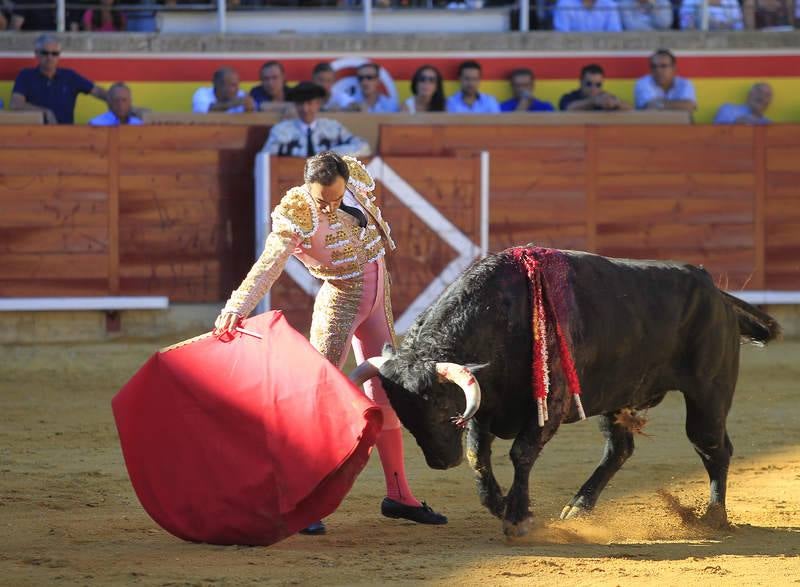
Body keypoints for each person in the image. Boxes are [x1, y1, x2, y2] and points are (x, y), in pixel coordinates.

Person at [214, 152, 448, 535]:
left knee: (386, 394)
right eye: (323, 199)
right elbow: (269, 264)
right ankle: (301, 498)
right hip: (340, 301)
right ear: (309, 187)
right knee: (316, 399)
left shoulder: (354, 178)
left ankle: (399, 495)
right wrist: (237, 306)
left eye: (337, 198)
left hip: (378, 297)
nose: (331, 205)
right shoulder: (297, 212)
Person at [10, 34, 109, 124]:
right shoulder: (26, 76)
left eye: (54, 53)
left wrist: (117, 101)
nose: (49, 57)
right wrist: (45, 112)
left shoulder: (70, 77)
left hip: (65, 135)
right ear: (36, 54)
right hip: (34, 134)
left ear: (59, 56)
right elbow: (16, 104)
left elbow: (98, 92)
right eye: (45, 53)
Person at [262, 81, 370, 158]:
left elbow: (364, 147)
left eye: (309, 103)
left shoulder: (333, 128)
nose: (305, 109)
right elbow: (264, 160)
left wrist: (331, 154)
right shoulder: (281, 131)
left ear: (318, 104)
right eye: (300, 104)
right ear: (295, 105)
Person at [559, 64, 632, 111]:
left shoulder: (604, 97)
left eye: (598, 85)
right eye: (589, 84)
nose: (593, 88)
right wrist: (593, 101)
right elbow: (568, 108)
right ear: (581, 82)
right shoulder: (570, 97)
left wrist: (616, 103)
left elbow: (630, 109)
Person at [552, 0, 623, 31]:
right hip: (573, 53)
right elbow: (561, 35)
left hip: (603, 53)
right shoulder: (564, 5)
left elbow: (615, 33)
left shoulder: (610, 5)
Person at [680, 0, 744, 30]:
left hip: (728, 41)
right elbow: (687, 26)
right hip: (700, 44)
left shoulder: (731, 1)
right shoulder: (690, 1)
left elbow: (738, 26)